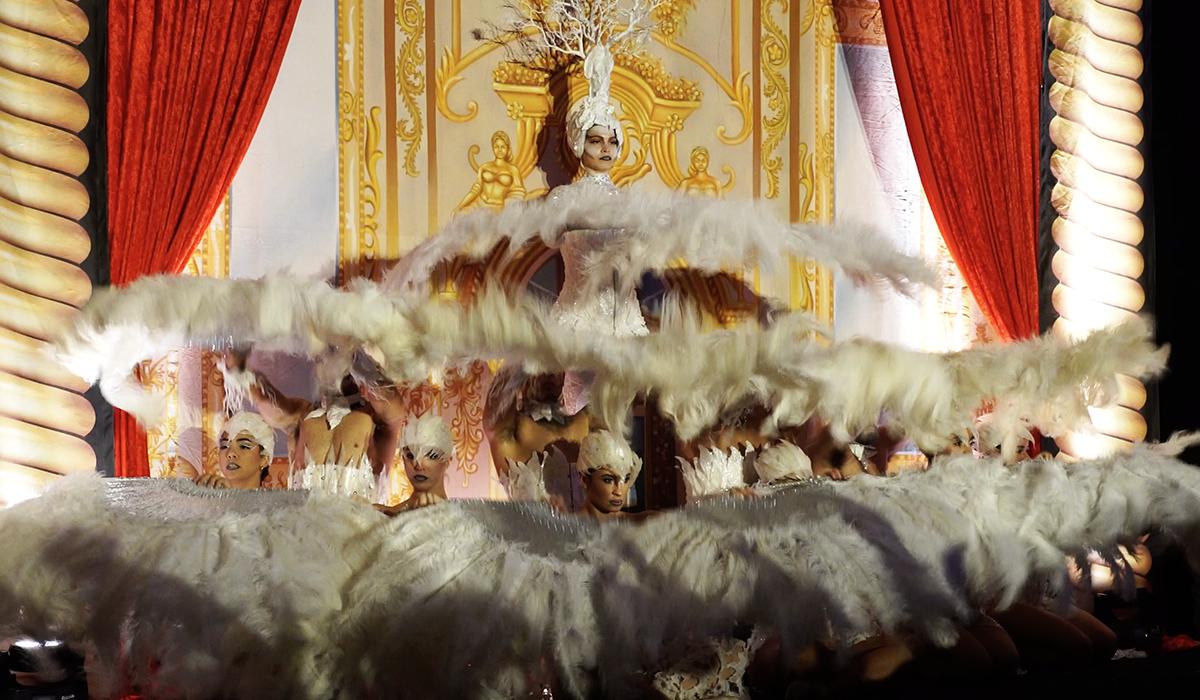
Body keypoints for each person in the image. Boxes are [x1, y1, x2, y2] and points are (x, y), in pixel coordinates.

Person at [376, 414, 454, 515]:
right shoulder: (383, 513)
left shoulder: (456, 519)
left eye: (431, 456)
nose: (418, 466)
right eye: (410, 455)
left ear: (447, 461)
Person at [191, 411, 274, 491]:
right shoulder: (205, 498)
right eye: (224, 446)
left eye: (244, 446)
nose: (230, 453)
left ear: (264, 459)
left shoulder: (275, 504)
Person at [456, 130, 526, 211]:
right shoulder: (485, 166)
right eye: (496, 146)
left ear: (507, 148)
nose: (499, 150)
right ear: (493, 148)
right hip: (479, 205)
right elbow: (475, 190)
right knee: (460, 215)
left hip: (498, 209)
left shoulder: (513, 170)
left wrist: (508, 213)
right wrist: (459, 206)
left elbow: (518, 194)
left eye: (502, 147)